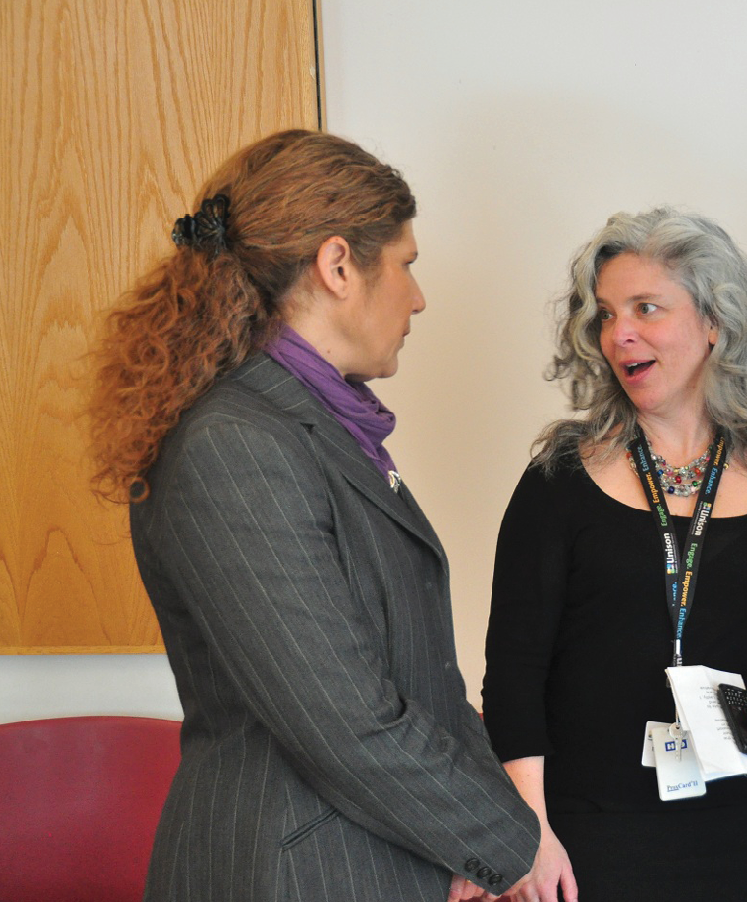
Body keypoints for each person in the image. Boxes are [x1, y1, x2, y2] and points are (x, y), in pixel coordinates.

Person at [88, 129, 539, 902]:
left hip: (366, 859)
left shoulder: (314, 429)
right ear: (338, 266)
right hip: (292, 870)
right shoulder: (235, 445)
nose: (419, 297)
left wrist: (480, 835)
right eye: (406, 265)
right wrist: (505, 844)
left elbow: (419, 678)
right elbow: (342, 718)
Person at [482, 208, 747, 902]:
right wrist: (530, 831)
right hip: (591, 833)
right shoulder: (560, 481)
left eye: (646, 308)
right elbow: (513, 675)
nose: (618, 333)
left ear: (715, 323)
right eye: (605, 314)